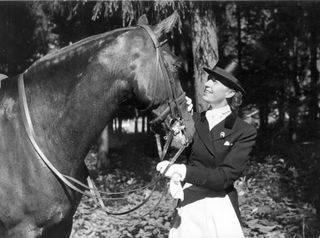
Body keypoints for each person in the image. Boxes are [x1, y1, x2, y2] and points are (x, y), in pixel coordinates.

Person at [156, 60, 257, 238]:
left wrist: (183, 171)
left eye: (215, 81)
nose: (207, 84)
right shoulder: (193, 120)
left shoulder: (243, 131)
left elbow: (224, 178)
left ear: (231, 92)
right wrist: (176, 122)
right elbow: (174, 154)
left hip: (221, 209)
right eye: (209, 79)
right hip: (189, 208)